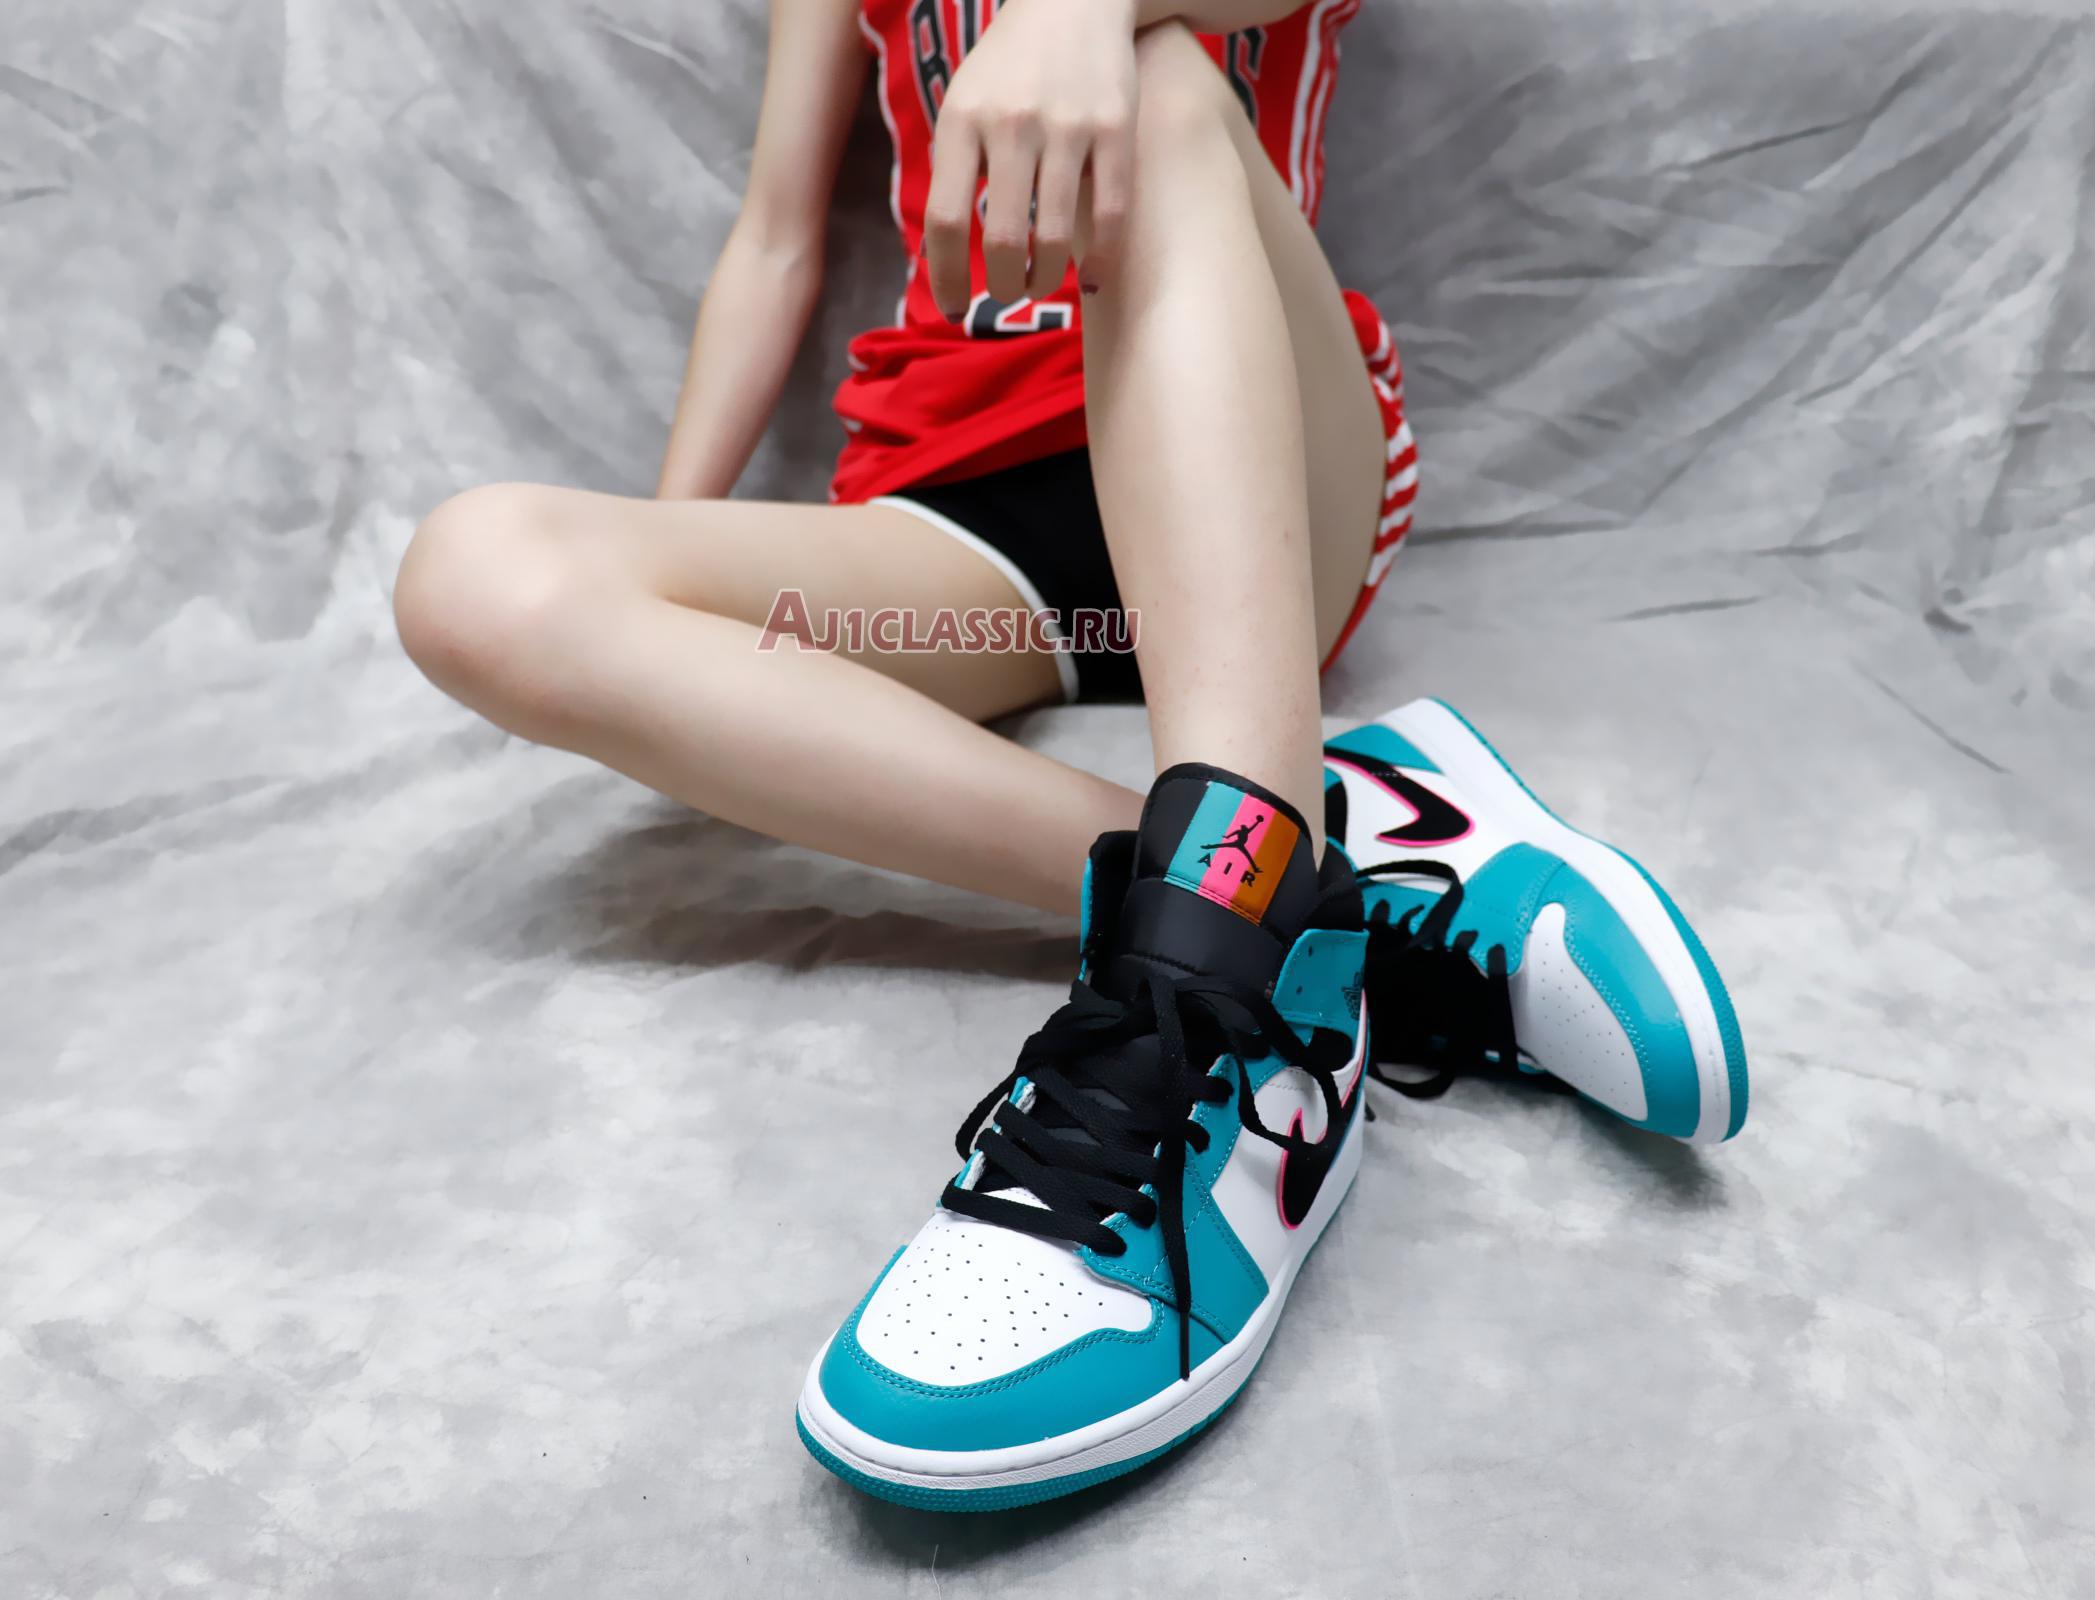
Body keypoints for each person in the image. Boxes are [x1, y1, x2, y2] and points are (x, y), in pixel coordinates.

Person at [393, 0, 1746, 1511]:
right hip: (971, 547)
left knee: (1158, 82)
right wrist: (665, 584)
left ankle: (1236, 970)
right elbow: (775, 241)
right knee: (482, 581)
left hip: (1262, 465)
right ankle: (1301, 889)